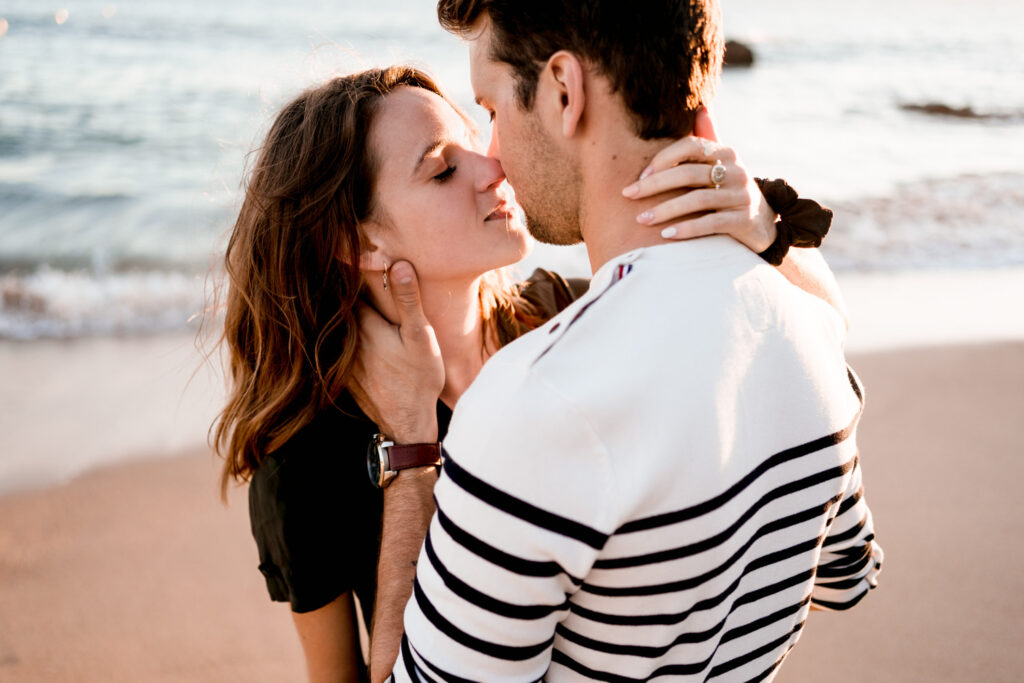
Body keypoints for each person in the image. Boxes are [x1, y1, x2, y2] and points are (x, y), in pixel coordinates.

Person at [214, 64, 844, 682]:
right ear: (359, 244)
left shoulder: (574, 318)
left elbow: (815, 340)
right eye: (443, 169)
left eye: (476, 138)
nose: (493, 167)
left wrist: (762, 227)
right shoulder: (303, 460)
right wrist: (409, 441)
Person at [355, 1, 883, 681]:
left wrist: (411, 455)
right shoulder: (810, 331)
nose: (493, 155)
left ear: (563, 91)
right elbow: (847, 573)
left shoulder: (530, 405)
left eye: (491, 110)